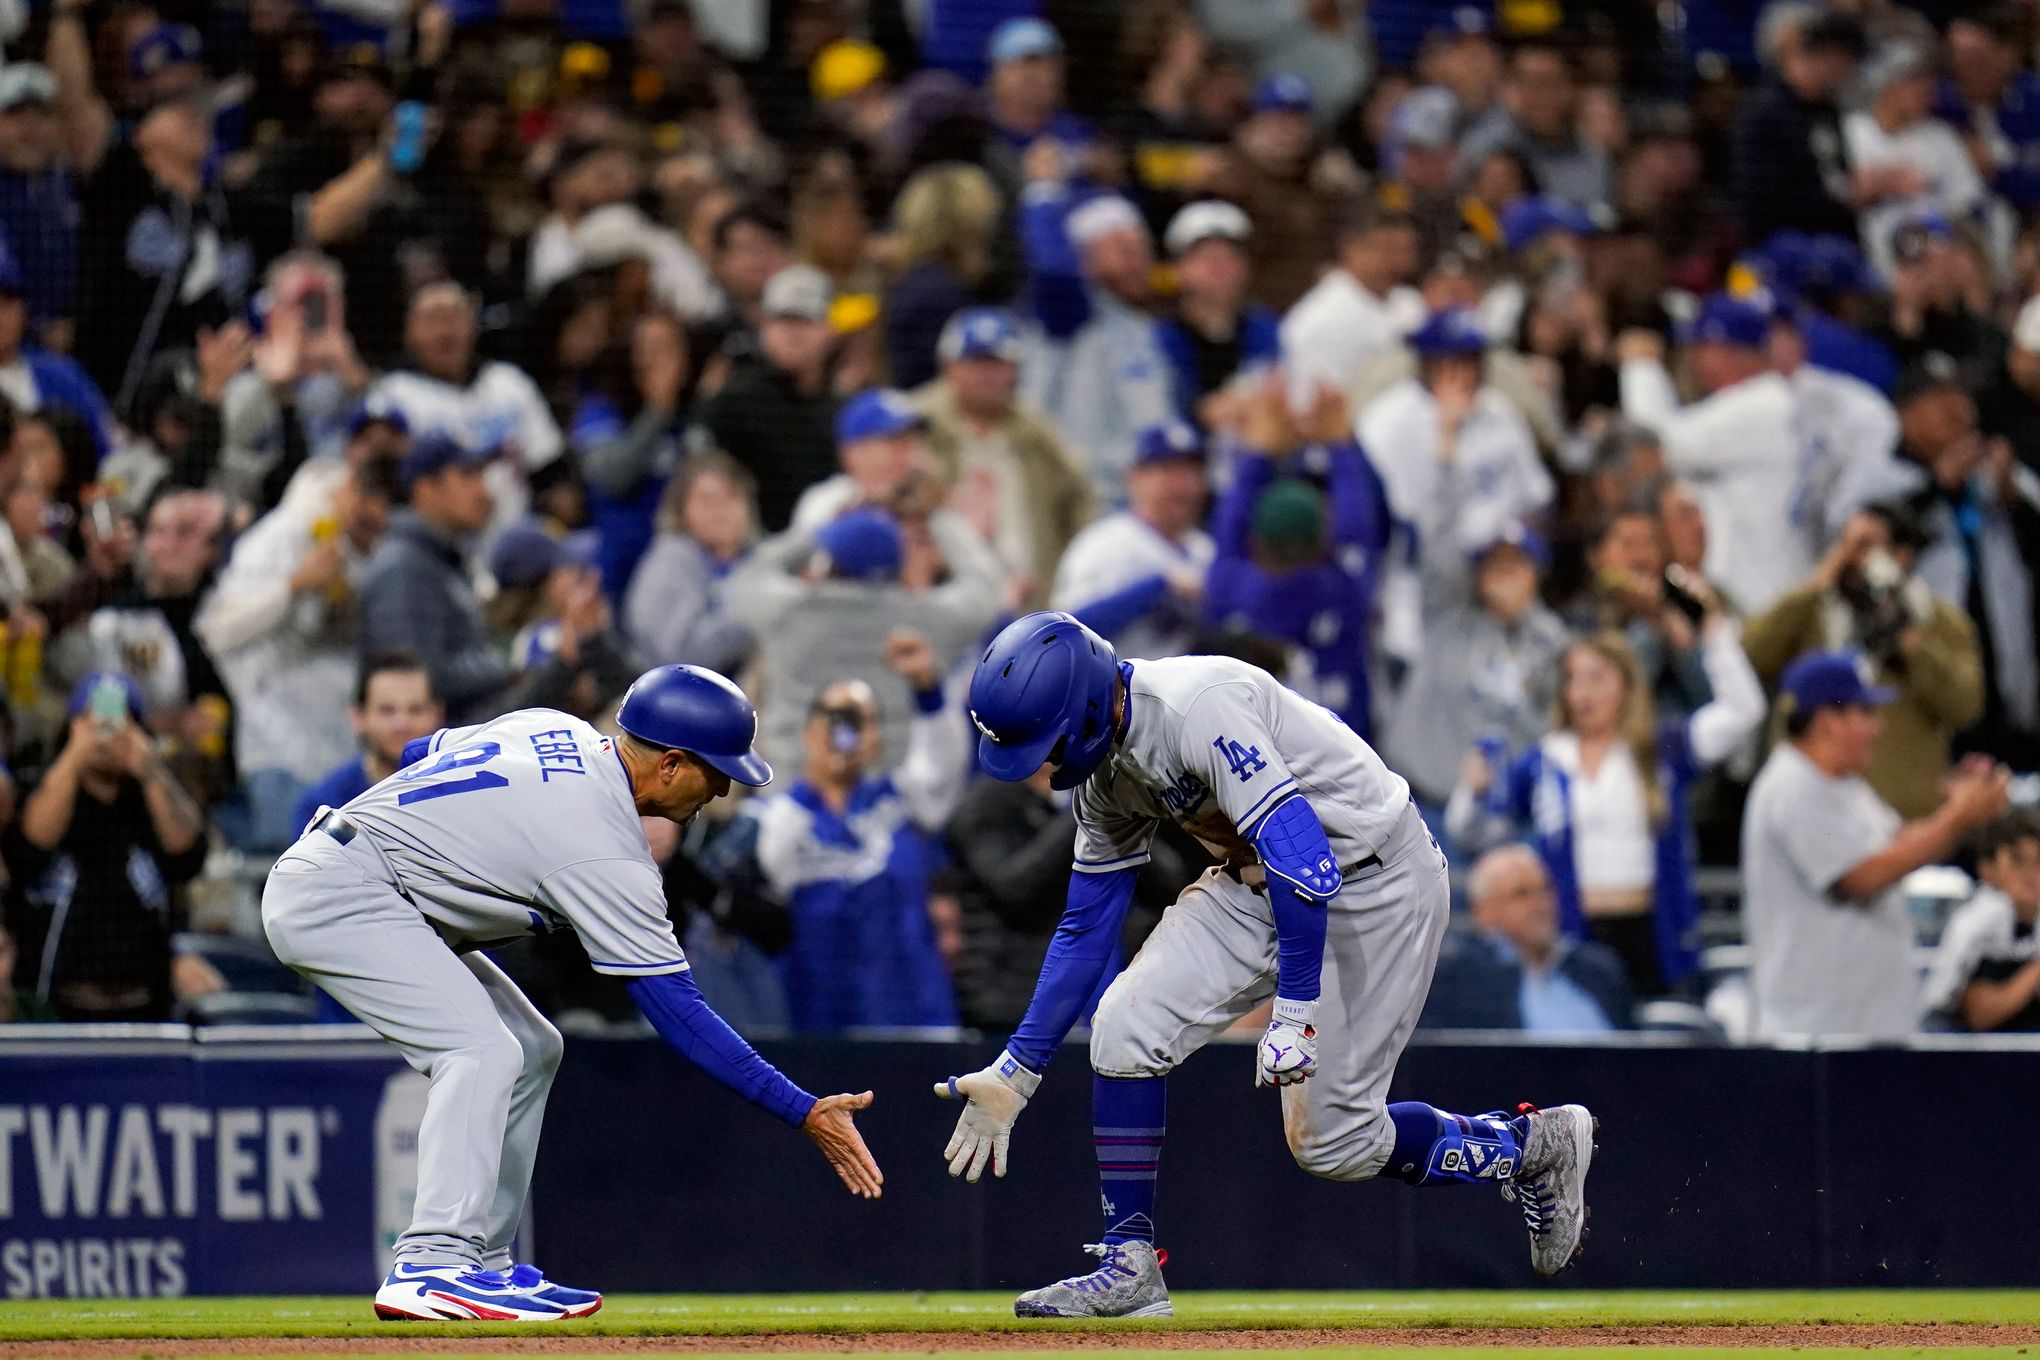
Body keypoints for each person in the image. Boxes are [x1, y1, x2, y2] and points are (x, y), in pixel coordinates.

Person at [936, 612, 1595, 1319]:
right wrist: (1020, 1066)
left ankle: (1528, 1145)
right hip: (1254, 878)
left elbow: (1302, 850)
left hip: (1376, 880)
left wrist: (1295, 1008)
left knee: (1333, 1144)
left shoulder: (1195, 706)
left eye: (1047, 738)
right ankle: (1130, 1266)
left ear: (1089, 703)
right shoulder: (1105, 777)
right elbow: (1087, 923)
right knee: (1124, 1025)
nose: (1041, 761)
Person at [262, 664, 883, 1320]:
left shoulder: (553, 727)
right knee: (480, 1050)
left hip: (356, 874)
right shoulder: (605, 849)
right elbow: (680, 1014)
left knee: (531, 1047)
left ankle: (481, 1261)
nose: (726, 786)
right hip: (342, 892)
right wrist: (801, 1108)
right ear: (670, 765)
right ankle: (431, 1264)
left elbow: (423, 753)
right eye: (717, 768)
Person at [1449, 622, 1766, 997]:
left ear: (1626, 685)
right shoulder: (1546, 760)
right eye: (1573, 679)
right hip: (1573, 935)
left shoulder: (1662, 749)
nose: (1582, 693)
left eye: (1596, 678)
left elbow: (1745, 711)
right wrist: (1471, 789)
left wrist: (1714, 632)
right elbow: (1470, 832)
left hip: (1652, 932)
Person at [1742, 649, 2010, 1042]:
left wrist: (1957, 814)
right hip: (1815, 1035)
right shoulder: (1792, 786)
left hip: (1861, 1026)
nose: (1878, 728)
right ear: (1827, 722)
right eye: (1865, 713)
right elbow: (1860, 878)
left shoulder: (1844, 786)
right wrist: (1955, 819)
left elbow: (1896, 847)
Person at [745, 631, 965, 1031]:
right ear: (807, 732)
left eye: (859, 721)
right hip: (815, 1022)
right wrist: (811, 790)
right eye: (834, 719)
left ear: (875, 739)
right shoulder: (772, 817)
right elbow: (774, 867)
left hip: (912, 1013)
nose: (843, 733)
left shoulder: (901, 801)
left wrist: (926, 686)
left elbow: (941, 765)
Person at [197, 437, 402, 847]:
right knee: (290, 889)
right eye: (368, 514)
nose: (376, 528)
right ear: (347, 492)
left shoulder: (350, 552)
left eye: (385, 520)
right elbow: (215, 630)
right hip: (279, 754)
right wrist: (294, 586)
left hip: (337, 752)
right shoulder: (282, 535)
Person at [1742, 502, 1984, 819]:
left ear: (1901, 556)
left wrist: (1911, 643)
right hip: (1815, 809)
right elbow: (1751, 654)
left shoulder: (1938, 623)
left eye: (1865, 545)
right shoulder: (1812, 613)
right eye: (1844, 544)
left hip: (1904, 811)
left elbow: (1965, 707)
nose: (1850, 557)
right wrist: (1815, 586)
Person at [725, 505, 1002, 777]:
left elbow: (742, 580)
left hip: (792, 783)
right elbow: (986, 587)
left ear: (832, 562)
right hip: (891, 800)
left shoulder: (790, 610)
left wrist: (816, 530)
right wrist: (940, 516)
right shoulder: (925, 618)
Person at [6, 672, 210, 1021]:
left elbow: (187, 854)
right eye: (92, 719)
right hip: (56, 1008)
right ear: (71, 727)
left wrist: (149, 768)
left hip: (146, 1007)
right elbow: (28, 850)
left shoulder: (152, 798)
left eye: (121, 721)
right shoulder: (43, 788)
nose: (107, 733)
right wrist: (74, 756)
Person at [1204, 387, 1390, 735]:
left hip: (1257, 770)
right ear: (1323, 544)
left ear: (1255, 543)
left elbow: (1227, 536)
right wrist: (1340, 446)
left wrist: (1258, 454)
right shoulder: (1344, 591)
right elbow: (1357, 533)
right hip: (1343, 769)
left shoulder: (1230, 589)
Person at [1616, 295, 1809, 615]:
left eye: (1701, 349)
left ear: (1722, 351)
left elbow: (1655, 444)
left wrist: (1640, 368)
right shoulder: (1765, 402)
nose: (1694, 361)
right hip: (1763, 586)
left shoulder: (1763, 404)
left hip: (1768, 591)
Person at [1381, 515, 1570, 813]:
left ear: (1537, 572)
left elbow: (1558, 725)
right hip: (1420, 803)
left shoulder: (1554, 641)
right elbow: (1438, 556)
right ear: (1476, 574)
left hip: (1504, 814)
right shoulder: (1446, 618)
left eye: (1516, 561)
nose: (1504, 570)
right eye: (1493, 562)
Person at [914, 308, 1092, 604]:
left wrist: (1069, 573)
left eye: (997, 365)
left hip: (1031, 599)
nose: (986, 376)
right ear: (948, 367)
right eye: (975, 363)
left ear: (1015, 371)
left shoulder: (1035, 433)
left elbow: (1079, 500)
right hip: (944, 597)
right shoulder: (918, 423)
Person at [368, 283, 564, 535]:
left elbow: (548, 467)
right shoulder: (393, 396)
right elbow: (389, 488)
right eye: (432, 321)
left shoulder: (508, 382)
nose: (444, 332)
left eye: (453, 318)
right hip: (442, 544)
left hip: (518, 538)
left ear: (472, 325)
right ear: (411, 332)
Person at [1016, 193, 1176, 501]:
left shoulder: (1143, 324)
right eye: (1123, 249)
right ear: (1083, 258)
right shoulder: (1068, 315)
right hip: (1078, 495)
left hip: (1138, 497)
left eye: (1143, 248)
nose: (1139, 260)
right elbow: (1054, 271)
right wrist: (1043, 192)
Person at [356, 433, 504, 723]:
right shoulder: (403, 568)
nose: (483, 492)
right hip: (434, 758)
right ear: (426, 489)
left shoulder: (436, 557)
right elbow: (412, 681)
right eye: (467, 477)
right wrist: (504, 663)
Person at [1421, 846, 1634, 1033]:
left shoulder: (1599, 969)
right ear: (1483, 911)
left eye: (1545, 890)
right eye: (1521, 894)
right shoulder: (1458, 976)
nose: (1540, 904)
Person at [1050, 420, 1212, 663]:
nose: (1183, 486)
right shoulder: (1103, 545)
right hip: (1117, 694)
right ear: (1134, 477)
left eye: (1192, 472)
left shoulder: (1205, 550)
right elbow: (1063, 634)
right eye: (1168, 471)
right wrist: (1157, 588)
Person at [698, 264, 841, 532]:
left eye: (806, 320)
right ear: (763, 326)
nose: (793, 333)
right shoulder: (735, 402)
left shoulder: (841, 407)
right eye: (783, 320)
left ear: (830, 329)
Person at [1728, 7, 1867, 245]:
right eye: (1843, 64)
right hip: (1779, 245)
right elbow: (1759, 203)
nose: (1845, 75)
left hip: (1832, 238)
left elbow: (1835, 177)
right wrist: (1843, 199)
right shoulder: (1762, 112)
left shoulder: (1827, 109)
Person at [623, 452, 758, 675]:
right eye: (707, 500)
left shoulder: (759, 557)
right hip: (673, 700)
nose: (720, 510)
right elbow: (683, 660)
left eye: (732, 497)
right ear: (682, 510)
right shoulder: (670, 562)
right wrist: (762, 611)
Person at [1279, 201, 1423, 401]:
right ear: (1351, 249)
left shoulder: (1411, 302)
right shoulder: (1318, 320)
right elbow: (1317, 413)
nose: (1400, 262)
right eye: (1388, 250)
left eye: (1405, 250)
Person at [1153, 201, 1281, 421]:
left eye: (1229, 257)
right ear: (1179, 268)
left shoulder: (1266, 329)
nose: (1218, 267)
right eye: (1206, 257)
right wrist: (1202, 413)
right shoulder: (1159, 338)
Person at [292, 651, 444, 837]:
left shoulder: (466, 789)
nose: (402, 723)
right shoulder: (325, 808)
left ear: (436, 714)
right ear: (358, 717)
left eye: (416, 710)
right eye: (387, 710)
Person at [1454, 40, 1611, 214]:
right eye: (1531, 83)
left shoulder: (1591, 157)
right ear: (1514, 87)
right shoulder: (1483, 147)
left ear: (1571, 87)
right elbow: (1462, 209)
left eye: (1551, 82)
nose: (1542, 95)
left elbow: (1602, 220)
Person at [1921, 810, 2040, 1033]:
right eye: (2018, 861)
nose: (2030, 875)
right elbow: (1980, 1016)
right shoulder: (1985, 916)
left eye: (2038, 862)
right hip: (1951, 1042)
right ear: (1988, 870)